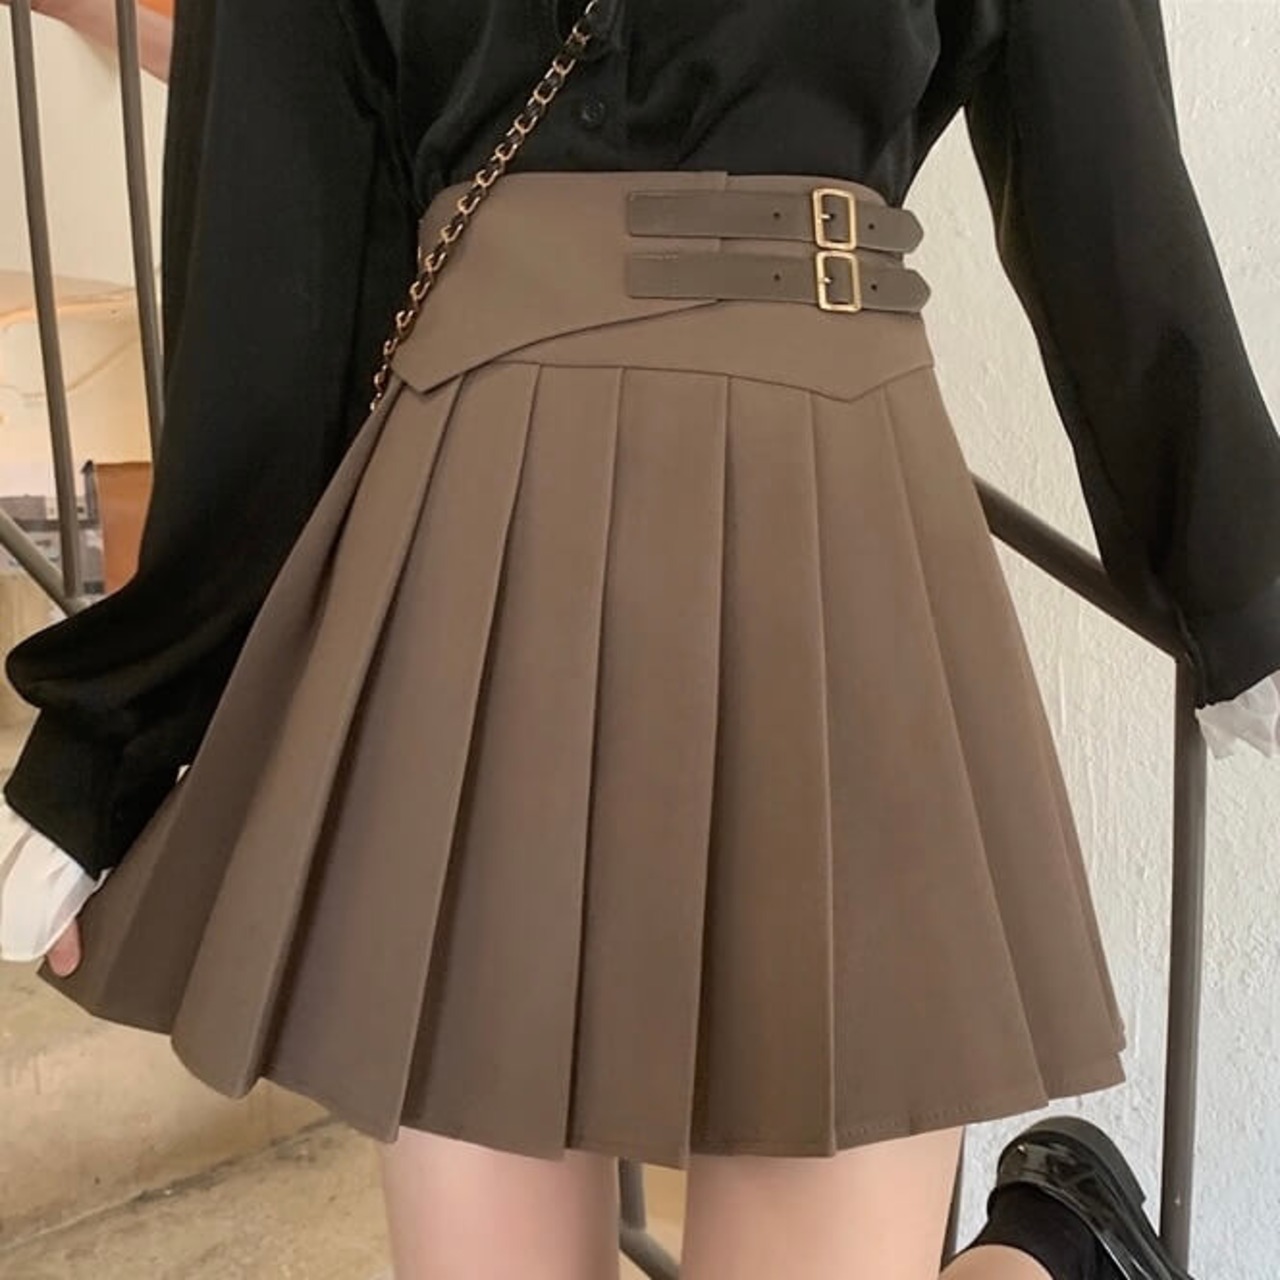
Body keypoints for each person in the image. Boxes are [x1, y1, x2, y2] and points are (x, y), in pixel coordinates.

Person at [1, 2, 1275, 1277]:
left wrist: (1241, 587)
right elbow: (278, 238)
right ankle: (1053, 1247)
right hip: (476, 523)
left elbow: (1095, 152)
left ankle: (1042, 1245)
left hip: (822, 512)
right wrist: (119, 734)